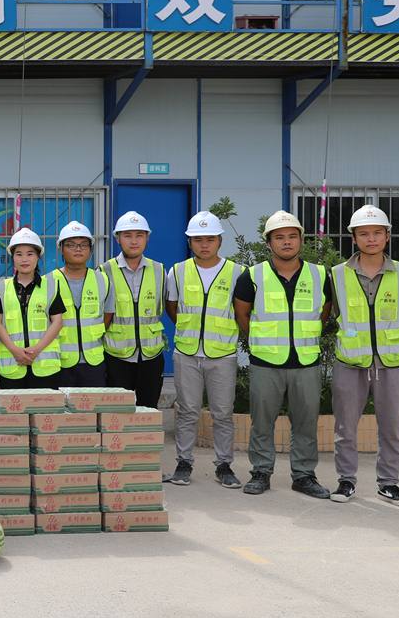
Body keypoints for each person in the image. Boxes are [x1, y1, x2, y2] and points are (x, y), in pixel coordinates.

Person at [233, 210, 333, 500]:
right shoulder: (252, 276)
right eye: (279, 238)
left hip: (306, 361)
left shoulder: (319, 275)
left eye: (292, 236)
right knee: (262, 421)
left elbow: (324, 313)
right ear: (269, 243)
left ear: (301, 240)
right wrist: (262, 342)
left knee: (306, 422)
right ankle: (261, 471)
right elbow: (242, 315)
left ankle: (303, 475)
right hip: (266, 362)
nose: (286, 242)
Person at [329, 205, 399, 507]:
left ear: (387, 236)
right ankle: (346, 481)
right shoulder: (337, 274)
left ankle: (389, 484)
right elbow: (334, 313)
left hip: (391, 363)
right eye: (364, 233)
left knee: (391, 427)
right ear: (354, 238)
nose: (371, 239)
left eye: (377, 233)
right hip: (350, 362)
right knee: (345, 427)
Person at [164, 210, 243, 489]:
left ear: (220, 240)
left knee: (223, 413)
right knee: (187, 411)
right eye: (198, 239)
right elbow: (172, 307)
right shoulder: (177, 271)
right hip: (186, 352)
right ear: (189, 242)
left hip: (222, 353)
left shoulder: (236, 272)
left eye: (210, 239)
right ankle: (184, 462)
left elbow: (241, 310)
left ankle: (224, 465)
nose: (204, 244)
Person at [103, 211, 167, 409]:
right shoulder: (104, 271)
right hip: (116, 356)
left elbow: (169, 306)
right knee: (117, 414)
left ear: (147, 238)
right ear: (118, 238)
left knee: (149, 411)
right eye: (127, 235)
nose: (134, 241)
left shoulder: (159, 270)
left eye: (139, 235)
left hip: (151, 355)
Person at [0, 228, 64, 390]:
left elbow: (57, 322)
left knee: (43, 407)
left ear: (38, 257)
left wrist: (36, 350)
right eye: (19, 254)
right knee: (14, 408)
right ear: (12, 257)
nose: (24, 259)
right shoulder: (0, 287)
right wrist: (15, 351)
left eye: (30, 254)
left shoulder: (51, 286)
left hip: (44, 366)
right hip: (12, 365)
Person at [47, 221, 110, 388]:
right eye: (71, 245)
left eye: (83, 244)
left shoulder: (102, 279)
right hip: (58, 362)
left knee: (93, 405)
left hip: (94, 362)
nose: (78, 249)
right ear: (61, 249)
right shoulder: (48, 281)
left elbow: (108, 315)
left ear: (91, 249)